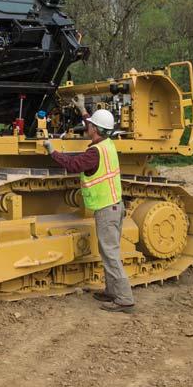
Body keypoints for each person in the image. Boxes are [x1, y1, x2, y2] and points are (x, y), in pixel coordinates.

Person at [43, 94, 135, 313]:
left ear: (95, 129)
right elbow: (95, 126)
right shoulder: (107, 143)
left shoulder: (94, 153)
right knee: (107, 251)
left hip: (107, 209)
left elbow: (74, 164)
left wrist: (52, 151)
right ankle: (112, 291)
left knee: (110, 253)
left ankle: (124, 298)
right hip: (113, 206)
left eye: (90, 125)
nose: (87, 127)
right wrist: (83, 111)